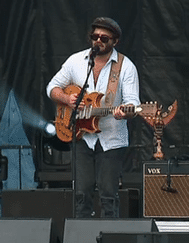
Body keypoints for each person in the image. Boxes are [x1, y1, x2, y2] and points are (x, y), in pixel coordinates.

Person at [46, 17, 140, 218]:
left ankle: (109, 235)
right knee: (81, 194)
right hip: (81, 137)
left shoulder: (126, 66)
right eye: (95, 36)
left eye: (104, 38)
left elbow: (133, 102)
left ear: (115, 41)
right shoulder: (76, 61)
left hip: (112, 140)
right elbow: (51, 88)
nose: (98, 41)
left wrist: (124, 112)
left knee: (108, 194)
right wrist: (66, 98)